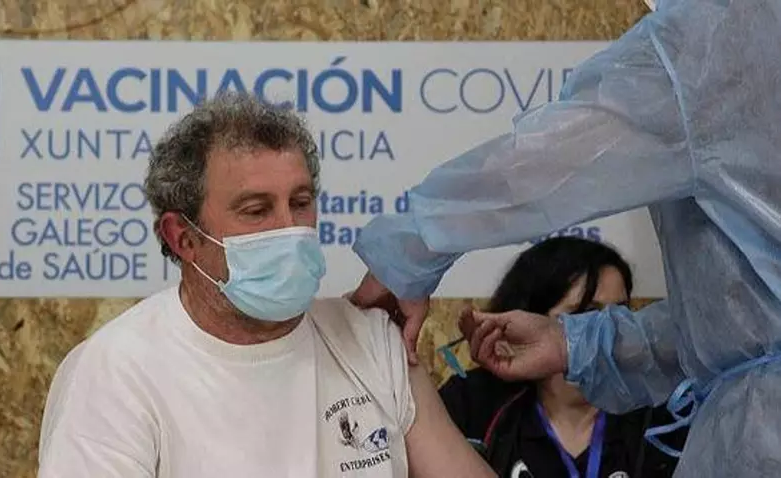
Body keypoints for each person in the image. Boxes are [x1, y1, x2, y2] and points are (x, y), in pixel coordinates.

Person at [348, 0, 781, 475]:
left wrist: (407, 252)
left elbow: (542, 167)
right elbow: (748, 323)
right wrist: (577, 345)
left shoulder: (721, 35)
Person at [36, 92, 496, 478]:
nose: (289, 230)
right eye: (256, 211)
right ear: (183, 238)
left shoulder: (370, 340)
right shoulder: (117, 374)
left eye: (300, 203)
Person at [439, 237, 686, 477]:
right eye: (586, 315)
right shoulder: (472, 404)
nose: (610, 334)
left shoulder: (663, 413)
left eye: (621, 317)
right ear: (528, 319)